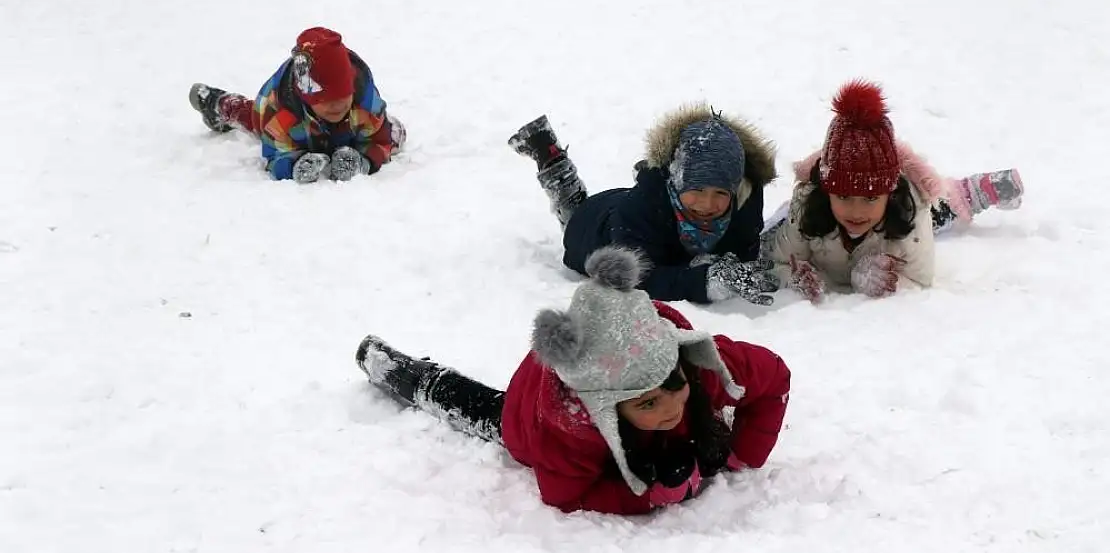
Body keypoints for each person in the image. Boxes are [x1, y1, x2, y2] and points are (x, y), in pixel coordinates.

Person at [356, 246, 791, 515]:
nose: (670, 407)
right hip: (532, 412)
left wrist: (741, 456)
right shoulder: (569, 428)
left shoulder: (697, 362)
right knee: (486, 410)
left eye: (672, 386)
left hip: (604, 352)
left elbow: (775, 379)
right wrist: (648, 497)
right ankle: (402, 373)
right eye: (645, 404)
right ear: (607, 408)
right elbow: (565, 496)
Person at [767, 79, 1024, 301]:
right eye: (843, 196)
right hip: (829, 219)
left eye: (869, 197)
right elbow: (776, 262)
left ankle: (967, 194)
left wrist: (876, 280)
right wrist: (794, 278)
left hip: (895, 222)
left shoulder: (910, 213)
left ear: (889, 192)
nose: (856, 211)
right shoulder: (806, 208)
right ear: (827, 191)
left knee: (938, 211)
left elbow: (920, 280)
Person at [507, 107, 779, 305]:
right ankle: (551, 159)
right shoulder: (639, 210)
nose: (708, 204)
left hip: (646, 212)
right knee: (573, 210)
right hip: (596, 227)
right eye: (696, 190)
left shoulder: (746, 197)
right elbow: (636, 279)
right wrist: (703, 281)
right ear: (676, 182)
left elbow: (745, 251)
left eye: (721, 192)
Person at [187, 27, 406, 183]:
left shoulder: (364, 102)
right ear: (307, 97)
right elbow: (274, 156)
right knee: (253, 118)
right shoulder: (280, 114)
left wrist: (364, 161)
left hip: (349, 129)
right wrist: (294, 165)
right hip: (295, 128)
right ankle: (219, 104)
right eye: (325, 100)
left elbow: (381, 140)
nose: (337, 105)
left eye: (343, 96)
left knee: (394, 133)